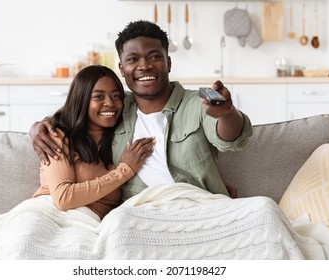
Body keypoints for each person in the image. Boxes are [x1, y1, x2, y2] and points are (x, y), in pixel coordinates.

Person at [29, 20, 252, 202]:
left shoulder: (197, 102)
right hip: (139, 209)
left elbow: (232, 139)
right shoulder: (117, 107)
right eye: (133, 59)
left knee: (264, 208)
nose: (144, 66)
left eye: (154, 56)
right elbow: (77, 113)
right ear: (122, 69)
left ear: (169, 62)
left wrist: (226, 113)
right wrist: (38, 127)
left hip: (198, 204)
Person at [32, 64, 155, 220]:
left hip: (92, 224)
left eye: (116, 96)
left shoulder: (121, 137)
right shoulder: (57, 136)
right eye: (99, 96)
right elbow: (63, 198)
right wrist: (123, 171)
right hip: (49, 215)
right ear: (81, 99)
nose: (110, 103)